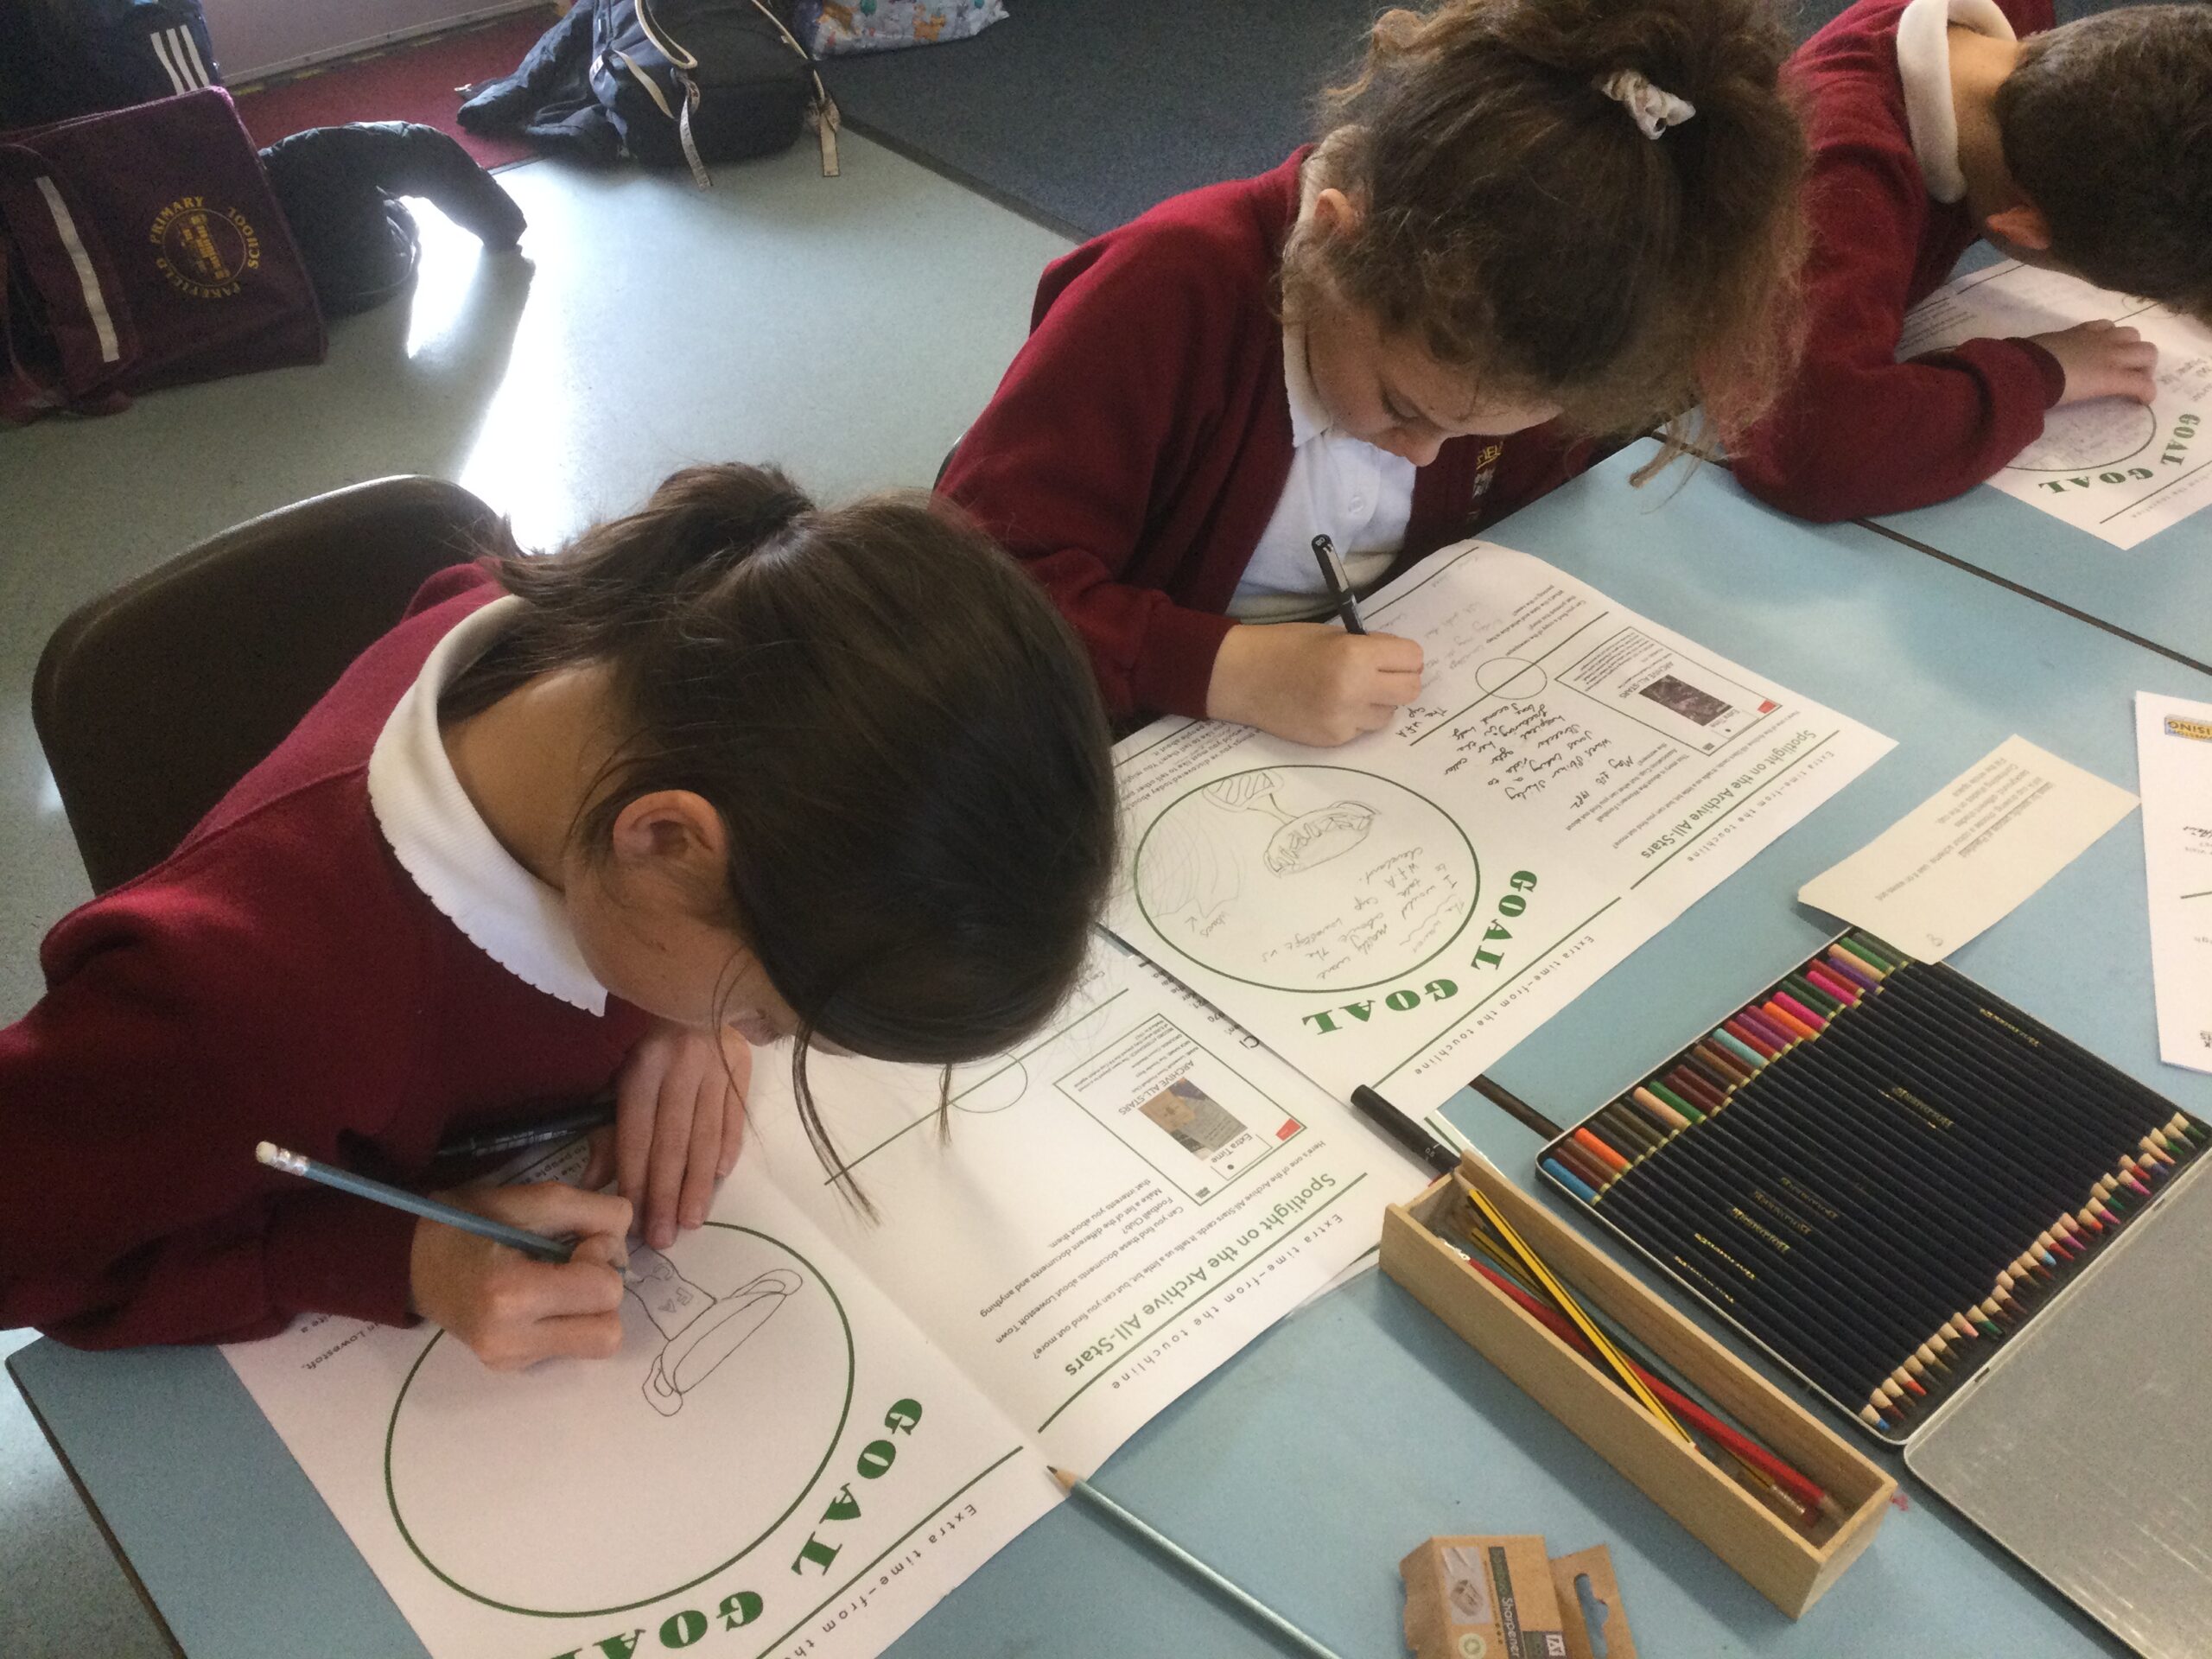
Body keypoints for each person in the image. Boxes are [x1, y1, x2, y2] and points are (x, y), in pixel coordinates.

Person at [0, 465, 1117, 1368]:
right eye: (770, 1018)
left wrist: (697, 1019)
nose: (757, 1045)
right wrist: (395, 1260)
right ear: (665, 842)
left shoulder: (634, 657)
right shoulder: (244, 1003)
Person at [940, 0, 1808, 746]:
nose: (1426, 458)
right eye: (1403, 407)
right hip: (1123, 735)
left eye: (1474, 437)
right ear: (1329, 242)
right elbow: (969, 598)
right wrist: (1220, 669)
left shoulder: (1535, 315)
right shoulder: (1167, 292)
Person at [1733, 0, 2212, 522]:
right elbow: (1816, 450)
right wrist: (2043, 371)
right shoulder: (1838, 183)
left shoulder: (2020, 39)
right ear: (2023, 228)